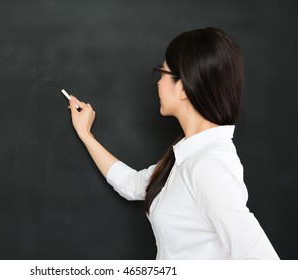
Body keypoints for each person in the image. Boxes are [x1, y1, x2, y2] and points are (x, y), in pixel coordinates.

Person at [66, 27, 279, 260]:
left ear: (185, 88)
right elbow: (131, 184)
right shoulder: (189, 154)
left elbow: (262, 262)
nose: (158, 82)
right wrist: (86, 134)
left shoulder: (209, 166)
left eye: (163, 72)